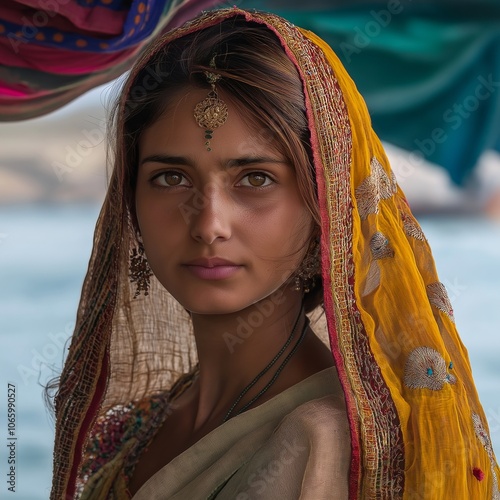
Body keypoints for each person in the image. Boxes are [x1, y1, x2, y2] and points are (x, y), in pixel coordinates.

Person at [50, 7, 499, 499]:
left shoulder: (323, 444)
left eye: (255, 179)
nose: (208, 224)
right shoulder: (156, 416)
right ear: (129, 206)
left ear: (323, 207)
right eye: (171, 178)